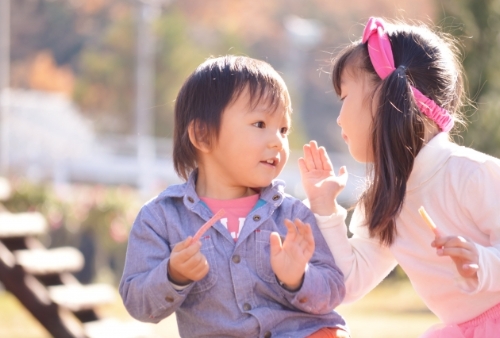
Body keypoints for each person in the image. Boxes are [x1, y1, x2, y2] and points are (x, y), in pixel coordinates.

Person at [119, 55, 349, 338]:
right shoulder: (162, 218)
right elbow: (138, 303)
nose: (277, 140)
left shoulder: (292, 216)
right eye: (260, 124)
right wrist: (173, 275)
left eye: (283, 129)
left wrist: (298, 278)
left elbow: (334, 290)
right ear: (202, 135)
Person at [299, 17, 500, 338]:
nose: (338, 118)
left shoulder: (471, 173)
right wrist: (325, 208)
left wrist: (483, 262)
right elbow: (350, 283)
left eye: (344, 97)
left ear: (386, 96)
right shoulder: (385, 199)